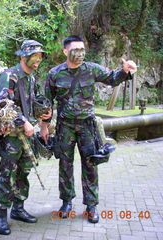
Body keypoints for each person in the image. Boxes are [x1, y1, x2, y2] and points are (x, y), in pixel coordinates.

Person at [41, 35, 137, 223]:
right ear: (65, 51)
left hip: (87, 126)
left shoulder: (91, 69)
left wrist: (125, 71)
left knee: (91, 164)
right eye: (76, 50)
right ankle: (67, 201)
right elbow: (47, 103)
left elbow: (112, 78)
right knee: (65, 165)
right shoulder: (55, 74)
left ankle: (91, 205)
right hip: (64, 126)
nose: (80, 54)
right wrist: (44, 126)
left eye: (82, 50)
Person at [0, 40, 51, 235]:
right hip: (11, 137)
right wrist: (22, 122)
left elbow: (33, 102)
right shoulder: (10, 76)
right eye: (34, 56)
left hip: (28, 136)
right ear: (23, 56)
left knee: (24, 171)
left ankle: (18, 208)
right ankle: (1, 214)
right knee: (7, 174)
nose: (38, 60)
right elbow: (2, 104)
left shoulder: (31, 78)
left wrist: (43, 114)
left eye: (40, 56)